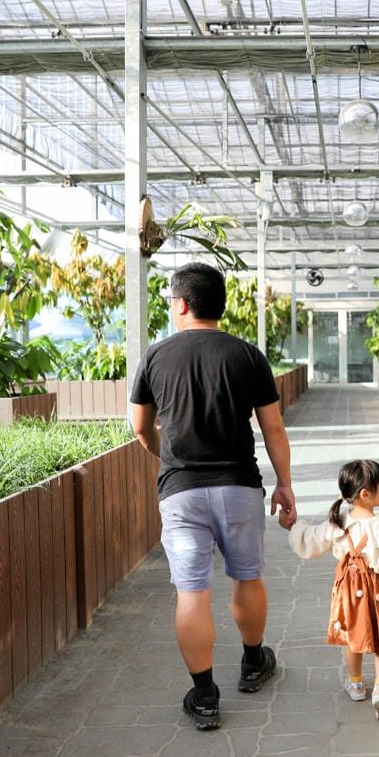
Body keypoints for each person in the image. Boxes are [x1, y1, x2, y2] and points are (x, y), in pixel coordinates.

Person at [130, 262, 297, 731]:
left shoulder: (155, 356)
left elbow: (140, 427)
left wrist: (165, 456)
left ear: (182, 304)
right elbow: (274, 429)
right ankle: (251, 663)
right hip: (240, 487)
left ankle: (204, 696)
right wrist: (284, 484)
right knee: (246, 576)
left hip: (181, 492)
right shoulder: (248, 356)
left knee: (192, 591)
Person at [279, 459, 379, 721]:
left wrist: (293, 526)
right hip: (378, 590)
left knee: (353, 636)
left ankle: (355, 684)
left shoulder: (336, 523)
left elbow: (309, 542)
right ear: (366, 494)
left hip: (347, 592)